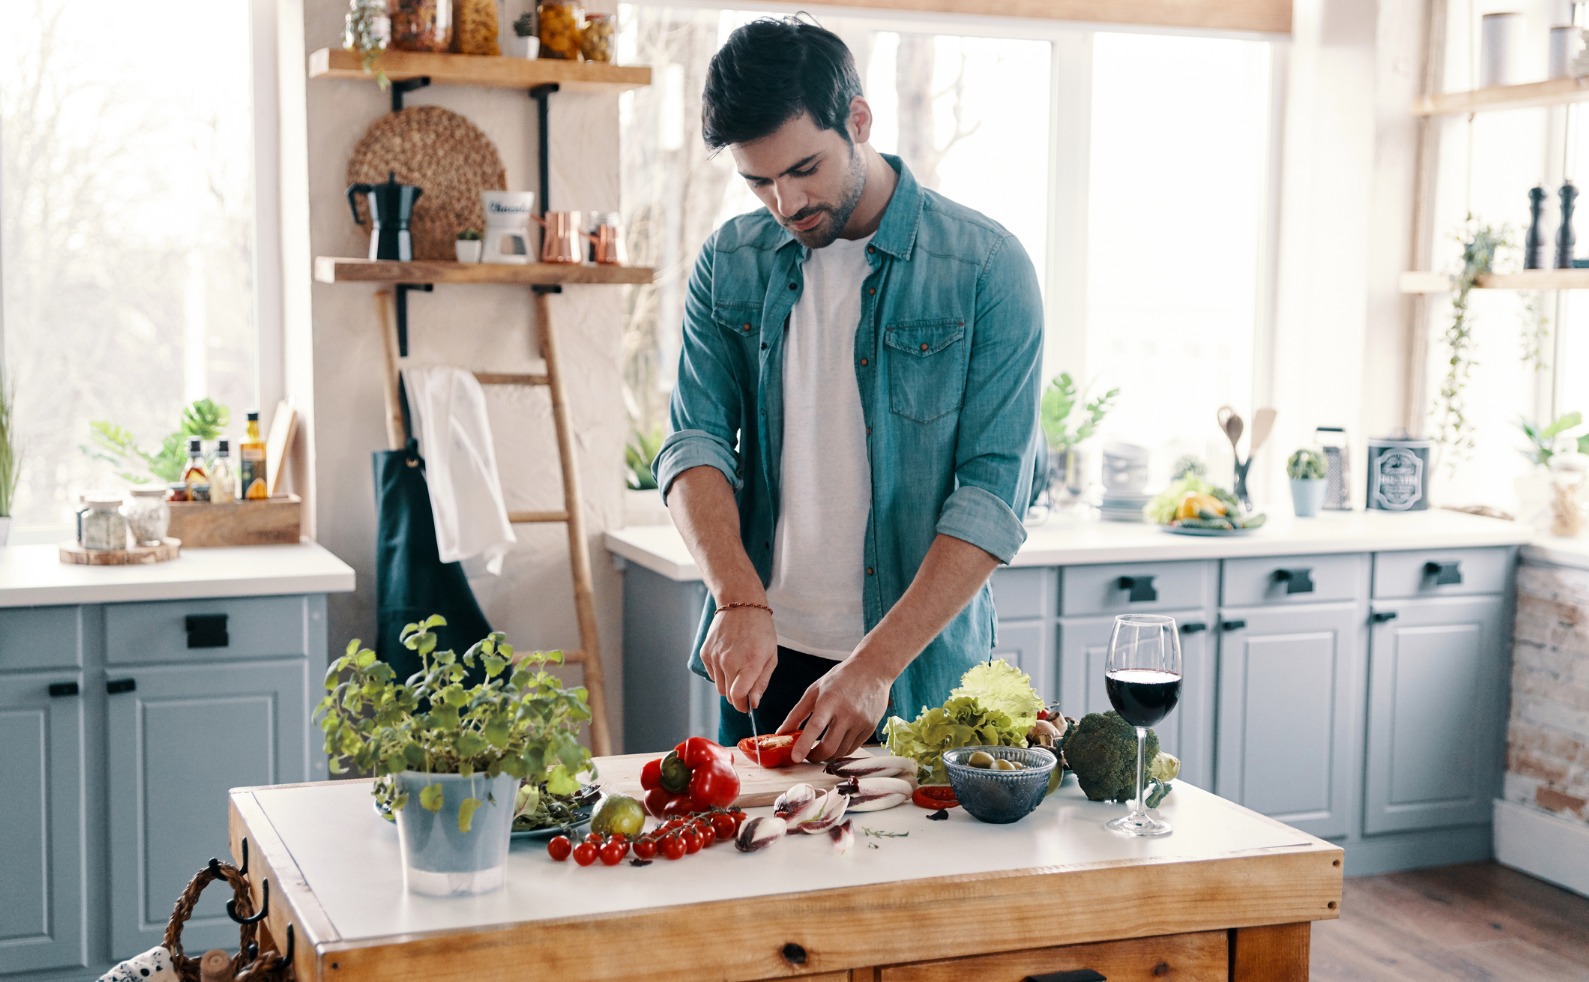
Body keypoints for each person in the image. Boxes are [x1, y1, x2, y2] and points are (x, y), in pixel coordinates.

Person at [653, 17, 1045, 764]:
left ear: (858, 120)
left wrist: (873, 667)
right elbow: (694, 442)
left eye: (805, 167)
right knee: (760, 841)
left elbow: (993, 496)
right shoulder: (729, 261)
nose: (785, 201)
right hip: (763, 653)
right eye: (758, 181)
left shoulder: (985, 267)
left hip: (914, 667)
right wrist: (737, 597)